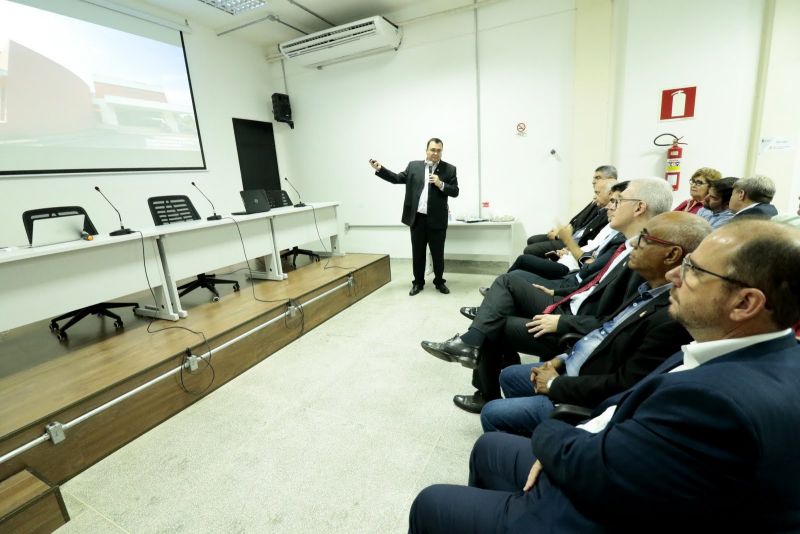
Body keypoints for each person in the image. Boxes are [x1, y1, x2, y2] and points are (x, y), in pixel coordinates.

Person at [409, 219, 800, 533]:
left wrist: (556, 436)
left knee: (432, 501)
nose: (677, 278)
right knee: (488, 447)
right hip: (605, 451)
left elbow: (604, 468)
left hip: (598, 503)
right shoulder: (746, 350)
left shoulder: (718, 403)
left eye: (695, 271)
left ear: (745, 303)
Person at [421, 178, 674, 413]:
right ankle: (477, 345)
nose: (610, 206)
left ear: (639, 207)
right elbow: (591, 281)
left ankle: (479, 367)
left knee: (497, 315)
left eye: (617, 201)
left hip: (574, 322)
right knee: (505, 289)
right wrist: (557, 291)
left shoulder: (644, 260)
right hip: (570, 300)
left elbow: (615, 321)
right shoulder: (625, 244)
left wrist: (562, 321)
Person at [479, 211, 710, 436]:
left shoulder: (671, 316)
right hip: (576, 362)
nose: (634, 243)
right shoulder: (647, 289)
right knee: (508, 375)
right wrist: (561, 360)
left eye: (644, 238)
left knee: (492, 412)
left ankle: (544, 448)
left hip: (587, 396)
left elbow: (624, 385)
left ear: (671, 255)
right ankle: (531, 433)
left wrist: (554, 386)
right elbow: (605, 329)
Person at [370, 138, 459, 295]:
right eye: (432, 149)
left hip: (437, 220)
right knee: (418, 253)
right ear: (426, 150)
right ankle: (418, 283)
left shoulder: (449, 169)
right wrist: (380, 169)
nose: (435, 153)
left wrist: (441, 184)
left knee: (438, 254)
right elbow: (397, 178)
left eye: (439, 150)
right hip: (417, 219)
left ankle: (439, 281)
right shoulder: (414, 166)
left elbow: (455, 191)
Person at [524, 165, 617, 257]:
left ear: (610, 180)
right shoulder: (598, 201)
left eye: (598, 178)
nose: (593, 182)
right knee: (532, 240)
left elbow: (588, 238)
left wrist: (560, 236)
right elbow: (579, 224)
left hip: (576, 244)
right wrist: (561, 230)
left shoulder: (609, 210)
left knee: (530, 251)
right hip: (572, 237)